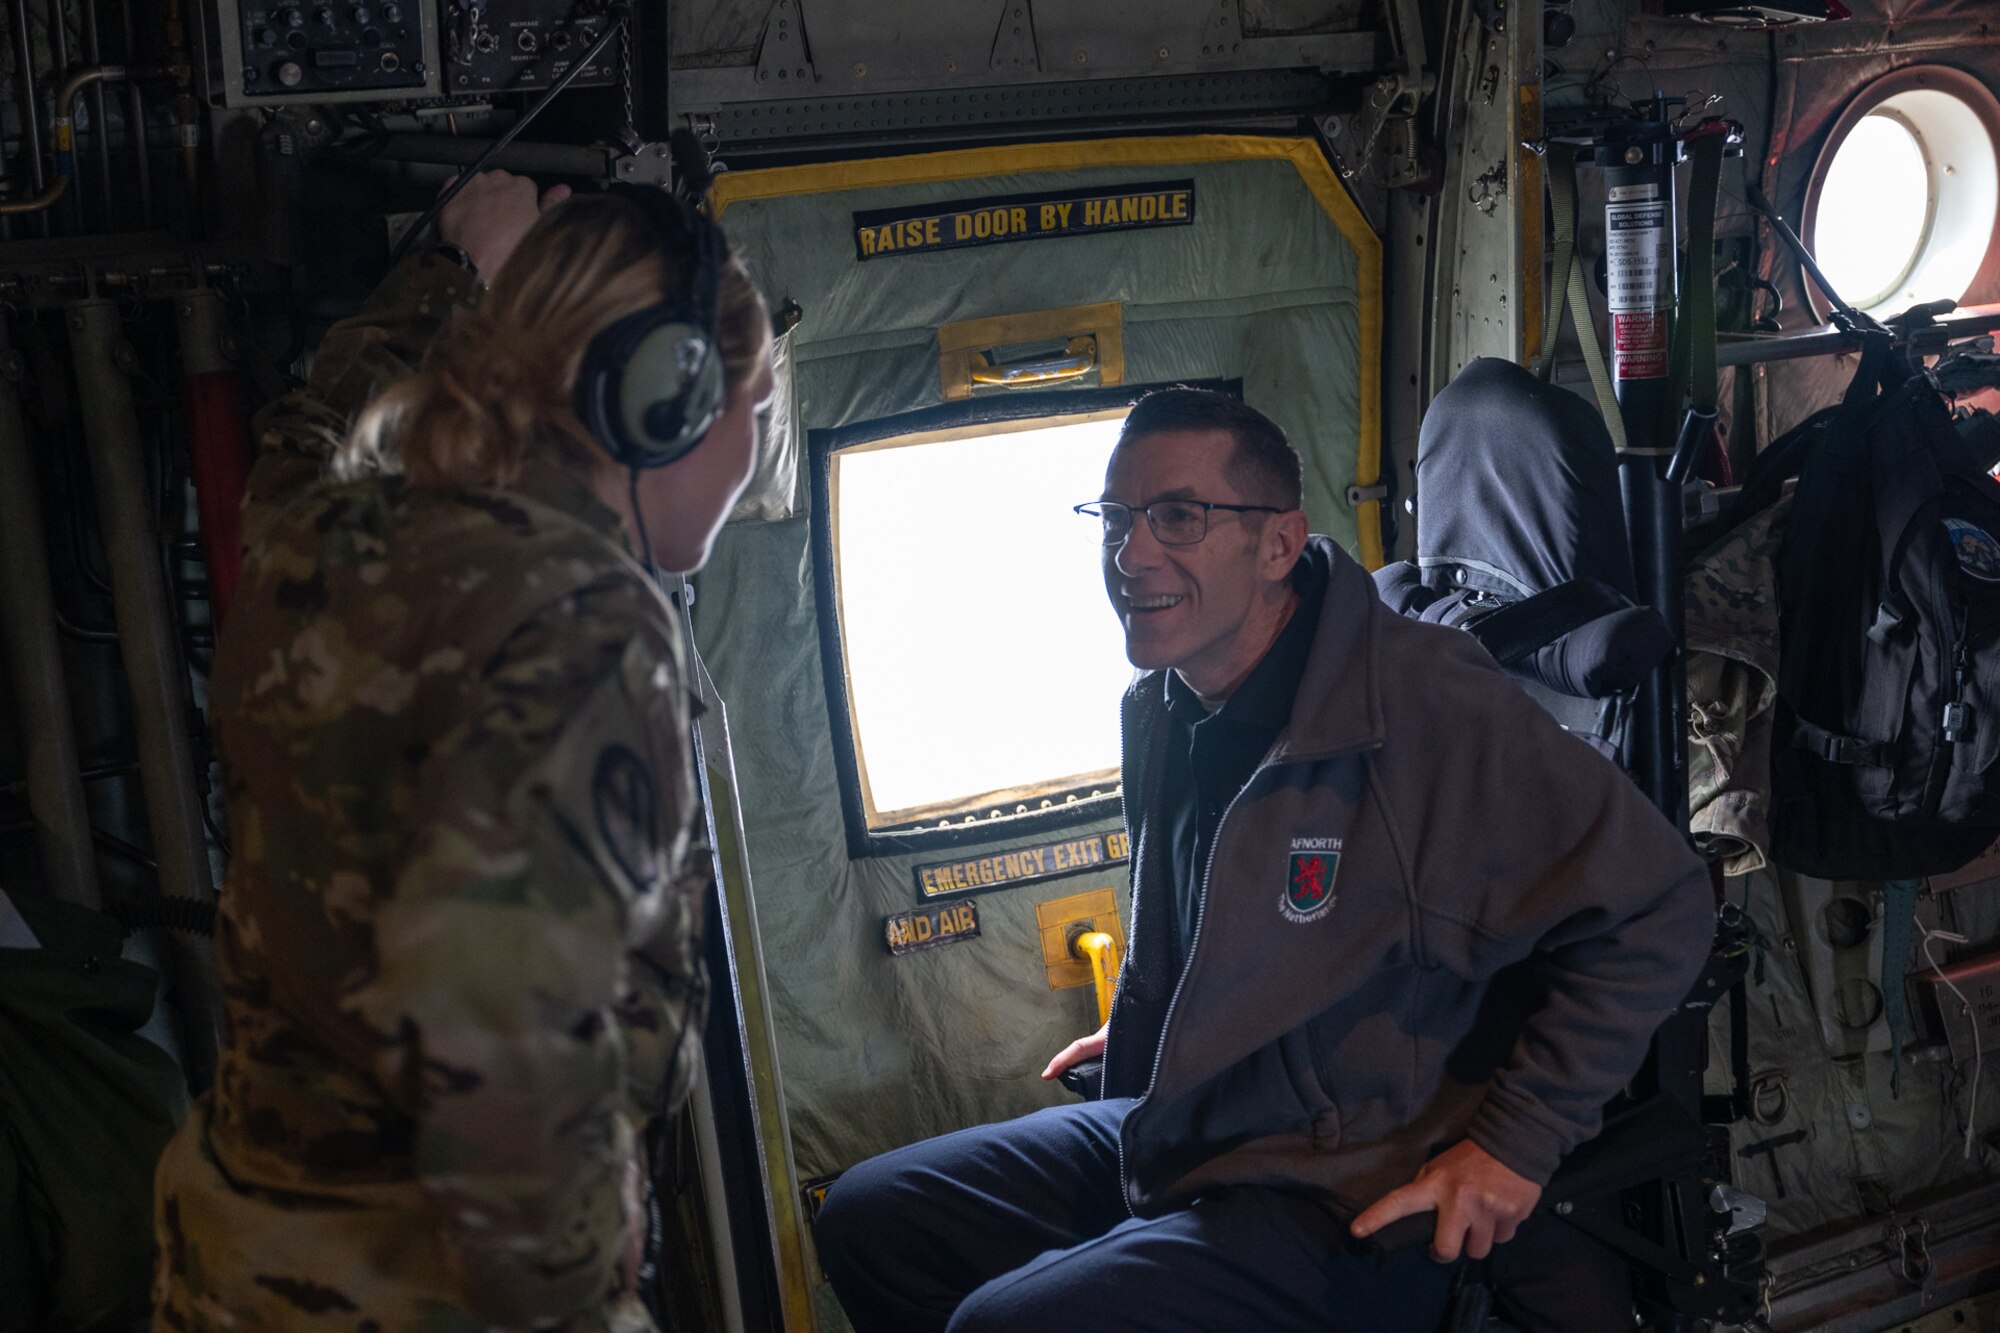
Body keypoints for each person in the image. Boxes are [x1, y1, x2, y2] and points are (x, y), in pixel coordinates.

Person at [813, 389, 1713, 1333]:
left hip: (1358, 1175)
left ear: (1279, 544)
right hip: (1211, 1111)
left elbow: (1663, 907)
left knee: (1001, 1325)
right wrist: (1173, 1025)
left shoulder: (1424, 704)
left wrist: (1513, 1148)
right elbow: (1226, 915)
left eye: (1177, 516)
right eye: (1116, 518)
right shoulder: (1162, 705)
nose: (1130, 554)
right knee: (872, 1220)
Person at [152, 170, 773, 1333]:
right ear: (669, 404)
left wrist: (458, 269)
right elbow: (500, 1071)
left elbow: (308, 432)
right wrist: (579, 1263)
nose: (750, 454)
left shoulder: (315, 536)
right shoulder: (583, 620)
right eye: (755, 405)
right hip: (434, 1295)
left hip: (240, 1259)